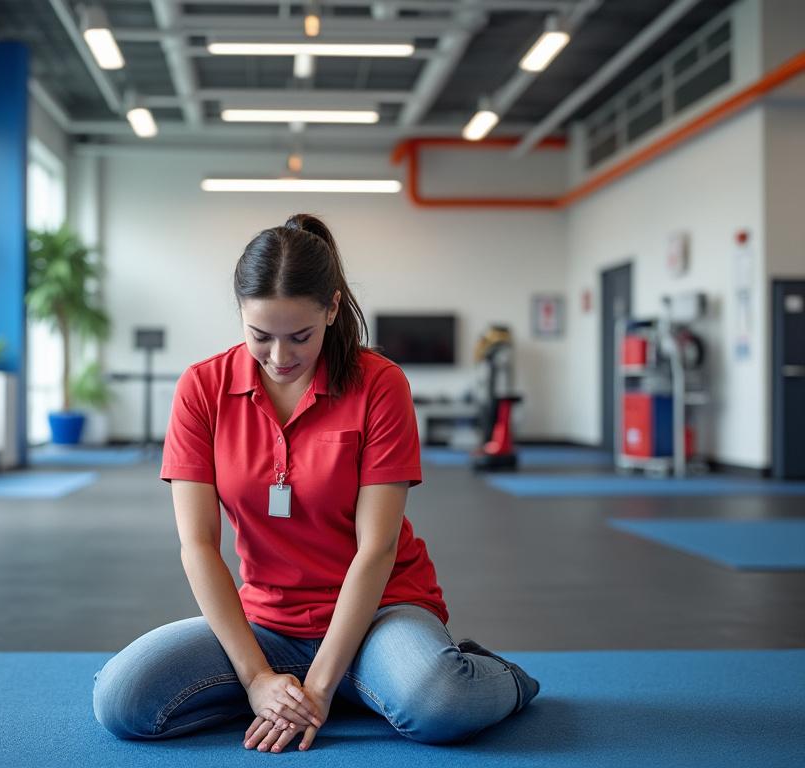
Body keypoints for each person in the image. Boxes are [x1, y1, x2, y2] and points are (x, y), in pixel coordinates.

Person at [92, 214, 539, 752]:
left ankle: (495, 680)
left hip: (379, 616)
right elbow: (199, 546)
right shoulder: (201, 389)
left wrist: (322, 686)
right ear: (240, 314)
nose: (280, 358)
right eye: (260, 336)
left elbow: (377, 549)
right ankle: (299, 695)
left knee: (440, 701)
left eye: (299, 337)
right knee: (121, 700)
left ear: (331, 308)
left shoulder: (380, 384)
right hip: (266, 622)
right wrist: (256, 677)